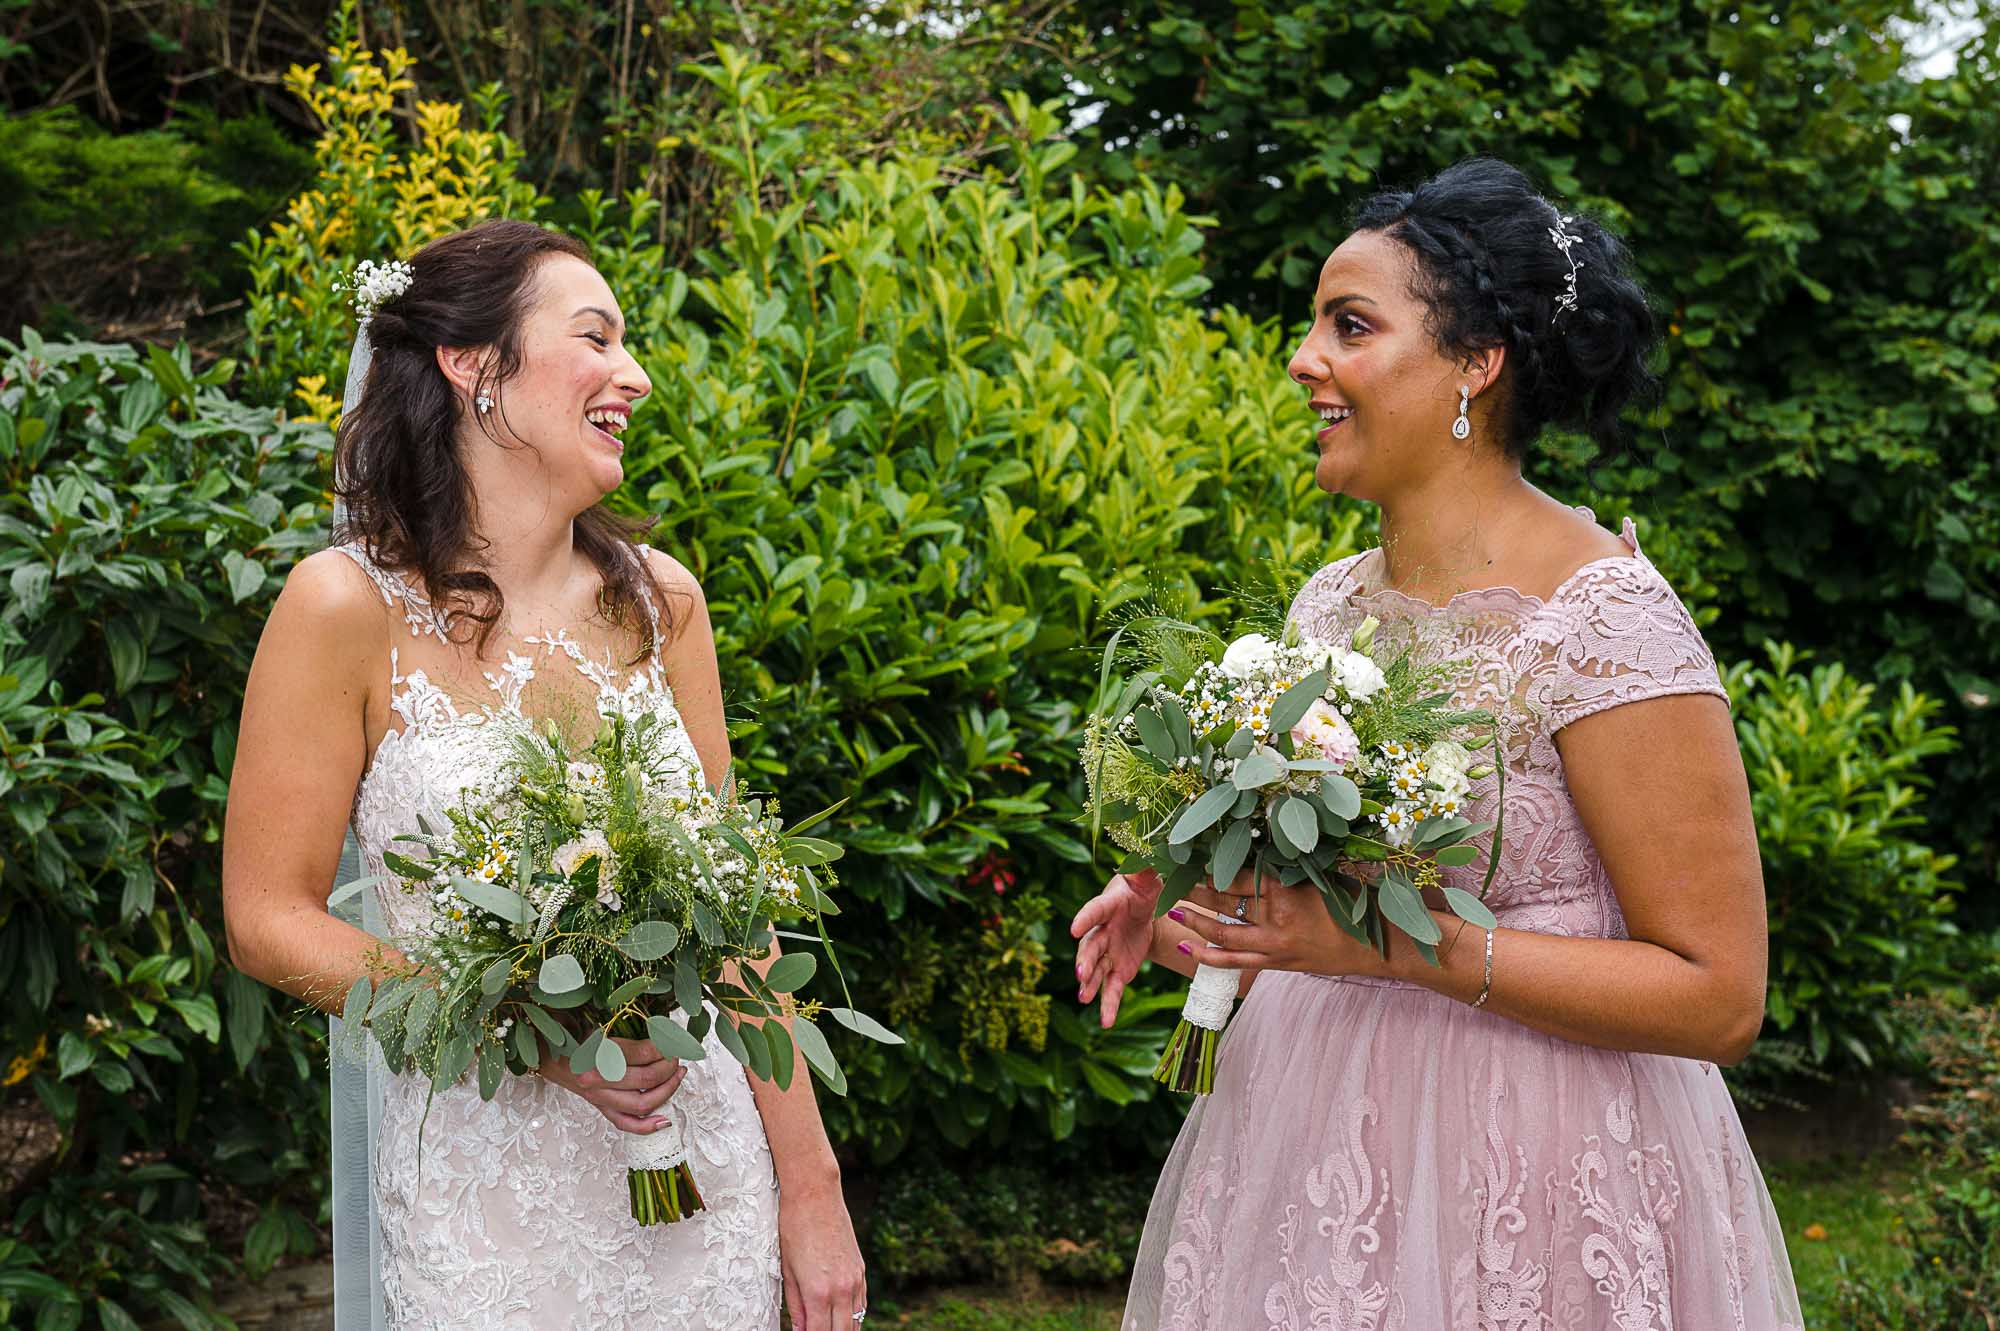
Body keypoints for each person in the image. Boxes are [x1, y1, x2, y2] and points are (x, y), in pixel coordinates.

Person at [1072, 158, 1804, 1329]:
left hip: (1538, 1168)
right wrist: (1180, 895)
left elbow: (1717, 995)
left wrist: (1387, 954)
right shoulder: (1328, 607)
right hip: (1314, 1151)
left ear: (1475, 363)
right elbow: (1323, 896)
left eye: (1347, 325)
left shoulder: (1604, 620)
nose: (1303, 359)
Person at [221, 219, 867, 1330]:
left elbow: (736, 916)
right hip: (488, 1204)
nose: (636, 374)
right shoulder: (341, 609)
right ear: (473, 366)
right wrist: (526, 1024)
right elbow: (266, 917)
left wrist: (814, 1191)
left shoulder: (662, 603)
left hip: (705, 1183)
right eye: (596, 337)